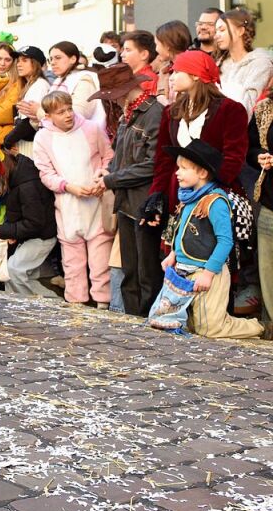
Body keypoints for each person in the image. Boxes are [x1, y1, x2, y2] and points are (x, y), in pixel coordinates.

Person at [161, 140, 265, 339]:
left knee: (211, 329)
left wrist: (209, 273)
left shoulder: (215, 202)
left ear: (202, 173)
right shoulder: (189, 198)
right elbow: (184, 231)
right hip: (186, 271)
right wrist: (173, 255)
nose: (177, 173)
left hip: (209, 272)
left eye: (183, 168)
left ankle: (257, 327)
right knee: (193, 324)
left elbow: (225, 241)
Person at [142, 50, 248, 235]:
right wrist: (157, 195)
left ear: (195, 75)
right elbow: (164, 161)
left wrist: (209, 194)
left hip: (216, 198)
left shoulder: (230, 110)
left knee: (213, 255)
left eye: (177, 72)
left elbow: (233, 159)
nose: (171, 78)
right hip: (179, 195)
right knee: (179, 257)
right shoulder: (171, 112)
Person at [92, 64, 163, 316]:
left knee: (147, 271)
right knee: (130, 269)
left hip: (144, 202)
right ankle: (133, 319)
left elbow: (152, 165)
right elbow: (121, 154)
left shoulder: (153, 113)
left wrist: (112, 179)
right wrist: (109, 171)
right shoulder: (128, 113)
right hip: (127, 200)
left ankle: (147, 319)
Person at [32, 91, 115, 308]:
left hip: (96, 203)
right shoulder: (43, 138)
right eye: (61, 112)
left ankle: (103, 302)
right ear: (49, 116)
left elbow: (109, 155)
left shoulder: (91, 128)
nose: (68, 114)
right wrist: (68, 187)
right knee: (72, 260)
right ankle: (76, 303)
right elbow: (45, 173)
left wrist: (102, 176)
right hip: (68, 206)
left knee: (100, 258)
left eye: (69, 108)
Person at [0, 148, 57, 298]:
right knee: (21, 274)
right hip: (36, 235)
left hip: (42, 236)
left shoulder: (26, 186)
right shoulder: (19, 178)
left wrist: (6, 231)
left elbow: (34, 223)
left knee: (14, 270)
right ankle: (50, 302)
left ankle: (28, 303)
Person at [24, 42, 107, 133]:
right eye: (50, 59)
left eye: (58, 58)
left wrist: (38, 111)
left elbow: (76, 117)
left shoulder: (84, 79)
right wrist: (34, 117)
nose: (53, 62)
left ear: (73, 59)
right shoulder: (58, 81)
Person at [214, 8, 273, 118]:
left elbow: (248, 106)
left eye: (222, 30)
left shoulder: (260, 63)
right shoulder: (220, 64)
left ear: (240, 31)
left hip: (242, 130)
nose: (216, 35)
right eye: (216, 31)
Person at [248, 86, 273, 322]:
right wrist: (259, 156)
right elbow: (250, 146)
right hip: (269, 201)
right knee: (267, 272)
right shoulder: (265, 108)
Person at [6, 45, 51, 158]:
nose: (18, 64)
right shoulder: (30, 85)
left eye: (24, 60)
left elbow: (30, 122)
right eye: (18, 61)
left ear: (35, 63)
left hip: (33, 150)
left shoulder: (39, 85)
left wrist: (8, 140)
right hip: (25, 148)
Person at [0, 43, 21, 147]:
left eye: (7, 60)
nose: (2, 63)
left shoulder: (18, 82)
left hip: (4, 141)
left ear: (13, 62)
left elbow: (6, 112)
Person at [154, 20, 192, 104]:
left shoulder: (189, 68)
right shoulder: (168, 68)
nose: (156, 49)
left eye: (157, 44)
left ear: (167, 45)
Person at [120, 31, 159, 95]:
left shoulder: (148, 80)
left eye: (128, 50)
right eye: (123, 50)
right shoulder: (130, 77)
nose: (122, 55)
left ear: (144, 54)